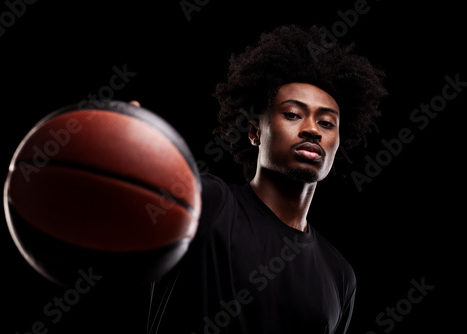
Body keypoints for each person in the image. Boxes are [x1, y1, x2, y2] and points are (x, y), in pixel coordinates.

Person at [147, 24, 387, 334]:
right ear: (254, 131)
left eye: (327, 123)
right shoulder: (210, 203)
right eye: (292, 114)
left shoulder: (340, 275)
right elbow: (130, 207)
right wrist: (126, 149)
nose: (313, 129)